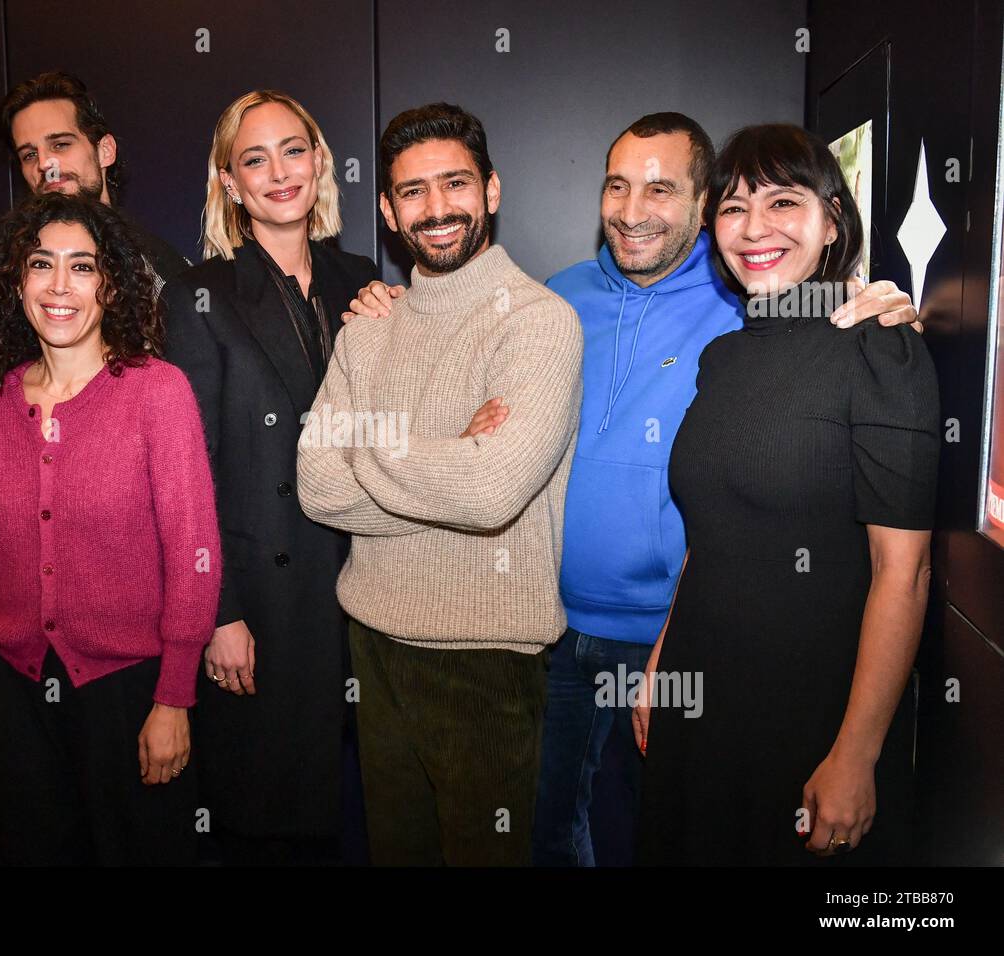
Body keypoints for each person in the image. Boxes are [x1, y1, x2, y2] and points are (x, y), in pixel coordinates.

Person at [345, 112, 922, 867]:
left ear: (699, 200)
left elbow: (818, 318)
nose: (631, 209)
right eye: (616, 186)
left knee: (654, 832)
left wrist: (876, 295)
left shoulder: (745, 308)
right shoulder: (554, 301)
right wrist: (390, 302)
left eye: (660, 188)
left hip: (669, 641)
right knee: (545, 837)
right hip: (549, 632)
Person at [632, 124, 939, 865]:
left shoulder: (880, 347)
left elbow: (906, 573)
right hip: (699, 701)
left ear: (832, 219)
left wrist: (857, 756)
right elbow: (710, 537)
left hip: (812, 718)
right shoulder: (725, 355)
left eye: (783, 202)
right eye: (734, 208)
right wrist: (658, 666)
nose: (755, 227)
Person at [297, 103, 583, 866]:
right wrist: (447, 453)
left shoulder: (539, 322)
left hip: (485, 660)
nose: (436, 208)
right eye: (412, 193)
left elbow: (492, 494)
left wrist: (367, 439)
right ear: (388, 213)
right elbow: (316, 485)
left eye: (454, 183)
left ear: (490, 190)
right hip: (374, 643)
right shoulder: (368, 327)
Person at [0, 192, 221, 865]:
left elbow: (194, 552)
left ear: (112, 284)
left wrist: (174, 695)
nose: (60, 285)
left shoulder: (158, 392)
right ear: (18, 281)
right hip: (15, 695)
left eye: (83, 267)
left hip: (129, 694)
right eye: (41, 264)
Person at [161, 90, 377, 866]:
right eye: (255, 158)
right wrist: (218, 612)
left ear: (321, 162)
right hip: (263, 601)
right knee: (270, 823)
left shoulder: (366, 280)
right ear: (229, 182)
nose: (279, 171)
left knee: (361, 815)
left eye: (294, 149)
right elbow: (190, 472)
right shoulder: (199, 295)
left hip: (365, 591)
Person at [0, 71, 189, 490]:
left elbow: (194, 437)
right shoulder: (6, 282)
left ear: (105, 149)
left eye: (60, 144)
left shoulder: (168, 271)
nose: (45, 164)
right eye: (28, 154)